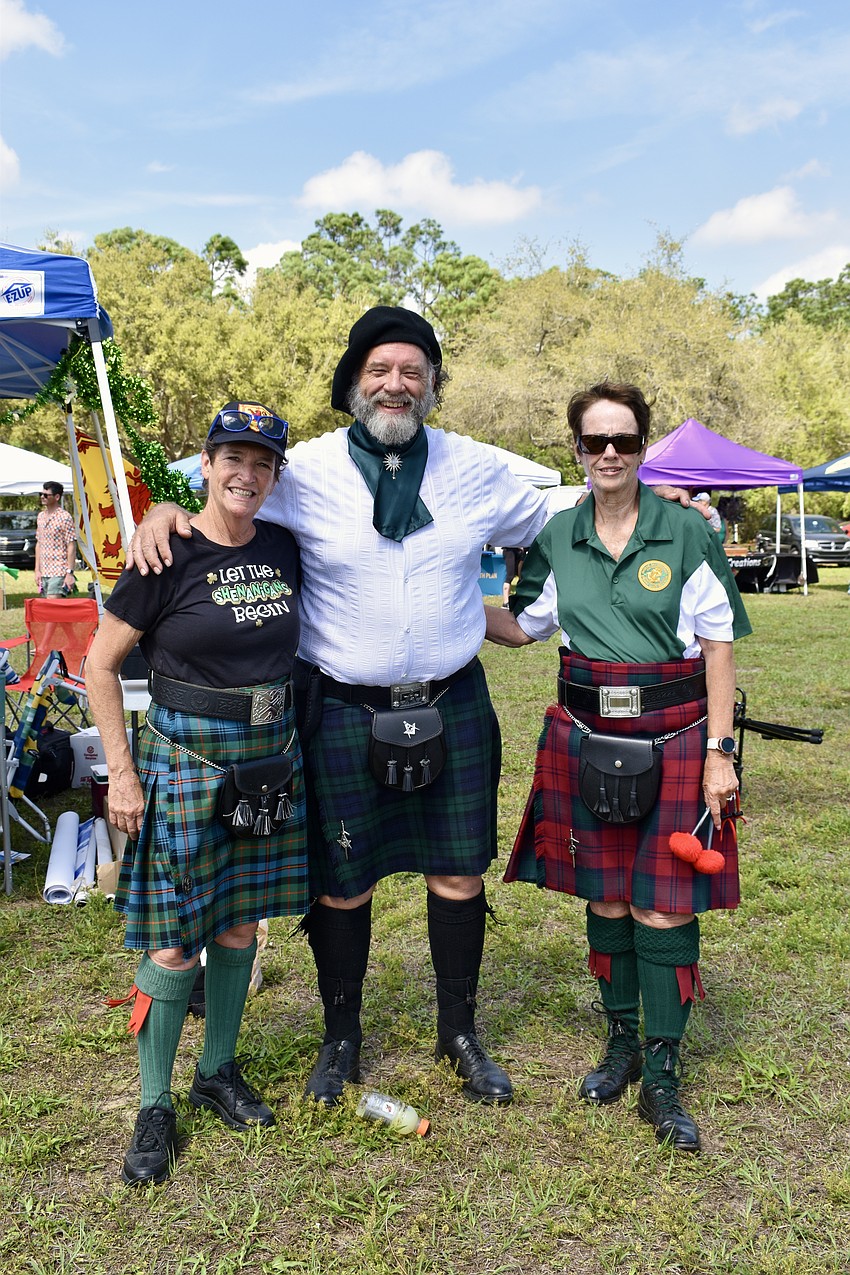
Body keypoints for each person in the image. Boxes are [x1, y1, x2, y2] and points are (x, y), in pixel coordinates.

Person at [128, 312, 704, 1113]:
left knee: (458, 871)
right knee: (342, 883)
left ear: (432, 383)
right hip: (339, 707)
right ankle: (341, 1038)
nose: (396, 383)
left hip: (452, 699)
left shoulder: (474, 466)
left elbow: (566, 509)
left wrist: (661, 507)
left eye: (413, 369)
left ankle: (459, 1032)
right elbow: (228, 500)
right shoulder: (308, 471)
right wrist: (161, 512)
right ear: (353, 380)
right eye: (379, 368)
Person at [486, 381, 751, 1153]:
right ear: (575, 449)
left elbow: (719, 647)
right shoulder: (559, 534)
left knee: (662, 905)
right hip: (585, 734)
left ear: (642, 447)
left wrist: (720, 751)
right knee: (605, 899)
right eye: (595, 441)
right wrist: (436, 598)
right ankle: (621, 1043)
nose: (609, 454)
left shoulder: (683, 532)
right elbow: (525, 625)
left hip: (675, 735)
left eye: (624, 441)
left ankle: (662, 1073)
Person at [86, 403, 309, 1187]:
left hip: (268, 756)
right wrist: (120, 770)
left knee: (241, 922)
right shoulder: (165, 552)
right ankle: (155, 1104)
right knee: (177, 936)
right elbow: (99, 665)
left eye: (262, 463)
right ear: (208, 464)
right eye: (232, 459)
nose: (246, 475)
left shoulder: (284, 547)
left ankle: (217, 1069)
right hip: (185, 756)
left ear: (276, 475)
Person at [35, 481, 76, 597]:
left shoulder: (64, 517)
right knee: (48, 611)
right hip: (44, 571)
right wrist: (37, 570)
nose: (42, 497)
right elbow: (39, 543)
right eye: (41, 494)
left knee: (52, 607)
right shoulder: (40, 517)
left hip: (59, 570)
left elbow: (71, 545)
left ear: (57, 497)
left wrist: (69, 573)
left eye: (46, 495)